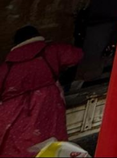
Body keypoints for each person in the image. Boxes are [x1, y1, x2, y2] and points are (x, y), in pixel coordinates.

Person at [0, 26, 83, 158]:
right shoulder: (51, 51)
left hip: (12, 113)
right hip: (46, 105)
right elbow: (76, 55)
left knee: (14, 149)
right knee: (48, 148)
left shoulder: (6, 67)